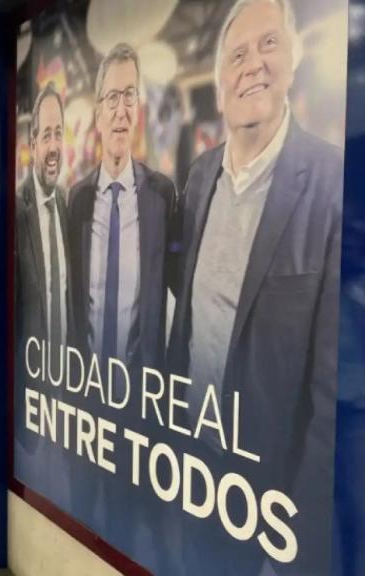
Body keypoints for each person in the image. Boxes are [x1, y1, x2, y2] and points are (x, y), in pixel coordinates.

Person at [167, 1, 342, 572]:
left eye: (269, 45)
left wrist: (298, 540)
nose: (253, 66)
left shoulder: (334, 186)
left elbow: (333, 395)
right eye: (236, 54)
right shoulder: (199, 178)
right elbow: (187, 323)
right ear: (219, 85)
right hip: (196, 472)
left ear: (293, 63)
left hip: (273, 498)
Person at [67, 43, 179, 375]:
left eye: (129, 96)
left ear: (139, 109)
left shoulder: (162, 195)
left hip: (142, 390)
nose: (121, 110)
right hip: (85, 385)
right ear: (97, 113)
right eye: (112, 97)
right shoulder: (77, 200)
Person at [13, 82, 73, 489]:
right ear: (33, 143)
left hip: (65, 394)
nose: (53, 146)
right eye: (46, 135)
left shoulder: (66, 206)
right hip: (30, 398)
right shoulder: (16, 210)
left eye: (59, 134)